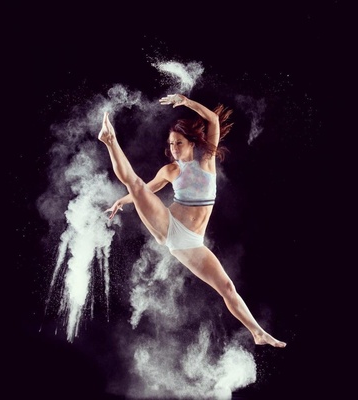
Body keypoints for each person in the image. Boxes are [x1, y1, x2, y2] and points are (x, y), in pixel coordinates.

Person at [98, 93, 286, 348]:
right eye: (171, 144)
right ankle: (110, 141)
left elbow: (213, 120)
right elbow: (146, 190)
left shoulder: (206, 160)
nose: (174, 148)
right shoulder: (170, 170)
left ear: (191, 143)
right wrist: (122, 201)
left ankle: (258, 332)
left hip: (193, 242)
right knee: (136, 184)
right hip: (169, 226)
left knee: (227, 287)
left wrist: (186, 102)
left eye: (179, 142)